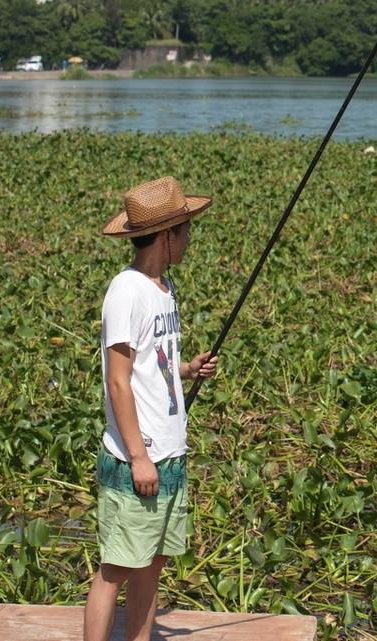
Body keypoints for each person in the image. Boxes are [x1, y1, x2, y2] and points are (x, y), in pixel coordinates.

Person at [84, 176, 218, 641]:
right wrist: (139, 456)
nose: (188, 238)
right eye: (185, 230)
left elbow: (150, 364)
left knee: (152, 562)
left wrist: (185, 370)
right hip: (135, 459)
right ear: (166, 235)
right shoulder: (127, 291)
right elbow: (117, 382)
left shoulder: (164, 287)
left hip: (169, 452)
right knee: (116, 568)